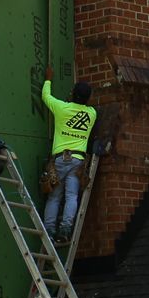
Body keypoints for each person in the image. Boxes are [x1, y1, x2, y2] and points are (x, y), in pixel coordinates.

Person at [39, 77, 96, 242]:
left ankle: (49, 231)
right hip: (78, 162)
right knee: (71, 196)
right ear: (88, 98)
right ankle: (65, 230)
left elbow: (45, 96)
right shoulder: (92, 114)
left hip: (59, 161)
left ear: (72, 94)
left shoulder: (61, 108)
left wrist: (48, 79)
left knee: (54, 197)